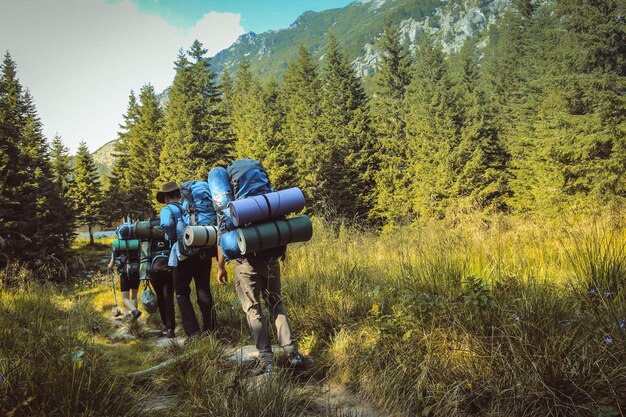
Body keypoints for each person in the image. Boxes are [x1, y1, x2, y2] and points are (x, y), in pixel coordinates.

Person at [217, 241, 304, 375]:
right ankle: (293, 353)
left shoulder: (231, 218)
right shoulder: (267, 217)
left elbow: (221, 240)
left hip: (245, 263)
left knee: (252, 309)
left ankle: (266, 359)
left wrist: (221, 267)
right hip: (271, 259)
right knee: (276, 304)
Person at [157, 181, 217, 339]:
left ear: (166, 198)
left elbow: (168, 225)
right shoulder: (191, 206)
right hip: (204, 251)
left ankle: (194, 332)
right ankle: (210, 329)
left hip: (184, 255)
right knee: (203, 290)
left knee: (181, 292)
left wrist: (169, 235)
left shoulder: (168, 209)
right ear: (179, 193)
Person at [107, 250, 142, 321]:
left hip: (124, 274)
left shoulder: (117, 247)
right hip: (136, 271)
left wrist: (109, 267)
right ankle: (134, 318)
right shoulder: (134, 246)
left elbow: (111, 265)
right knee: (134, 297)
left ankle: (135, 311)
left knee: (125, 298)